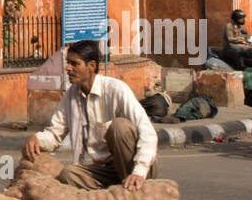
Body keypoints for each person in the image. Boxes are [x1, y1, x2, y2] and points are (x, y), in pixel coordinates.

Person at [21, 40, 158, 190]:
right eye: (67, 63)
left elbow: (148, 132)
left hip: (135, 168)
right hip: (106, 170)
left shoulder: (116, 89)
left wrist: (139, 171)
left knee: (119, 127)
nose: (68, 68)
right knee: (68, 174)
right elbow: (55, 133)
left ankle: (132, 186)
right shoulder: (71, 95)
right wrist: (37, 139)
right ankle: (115, 190)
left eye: (74, 64)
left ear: (91, 66)